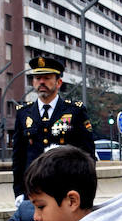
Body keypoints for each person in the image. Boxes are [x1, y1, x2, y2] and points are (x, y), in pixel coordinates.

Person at [9, 56, 95, 199]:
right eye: (37, 78)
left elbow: (88, 154)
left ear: (58, 82)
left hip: (65, 187)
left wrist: (83, 190)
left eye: (47, 78)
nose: (41, 82)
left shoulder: (75, 111)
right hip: (33, 189)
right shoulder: (24, 113)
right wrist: (18, 192)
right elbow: (18, 157)